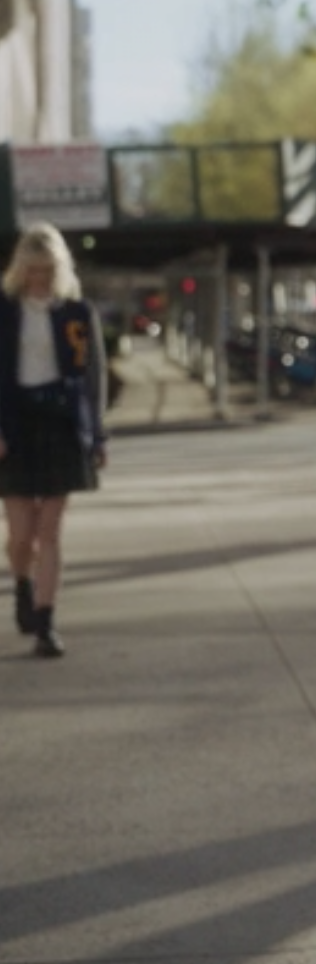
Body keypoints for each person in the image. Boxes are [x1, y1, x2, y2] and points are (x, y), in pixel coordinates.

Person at [0, 223, 108, 658]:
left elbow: (93, 378)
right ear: (19, 269)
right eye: (31, 271)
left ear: (59, 270)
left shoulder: (76, 313)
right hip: (14, 424)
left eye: (46, 271)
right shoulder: (4, 310)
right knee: (21, 532)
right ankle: (21, 583)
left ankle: (46, 622)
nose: (39, 280)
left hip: (62, 423)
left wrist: (97, 436)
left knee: (51, 531)